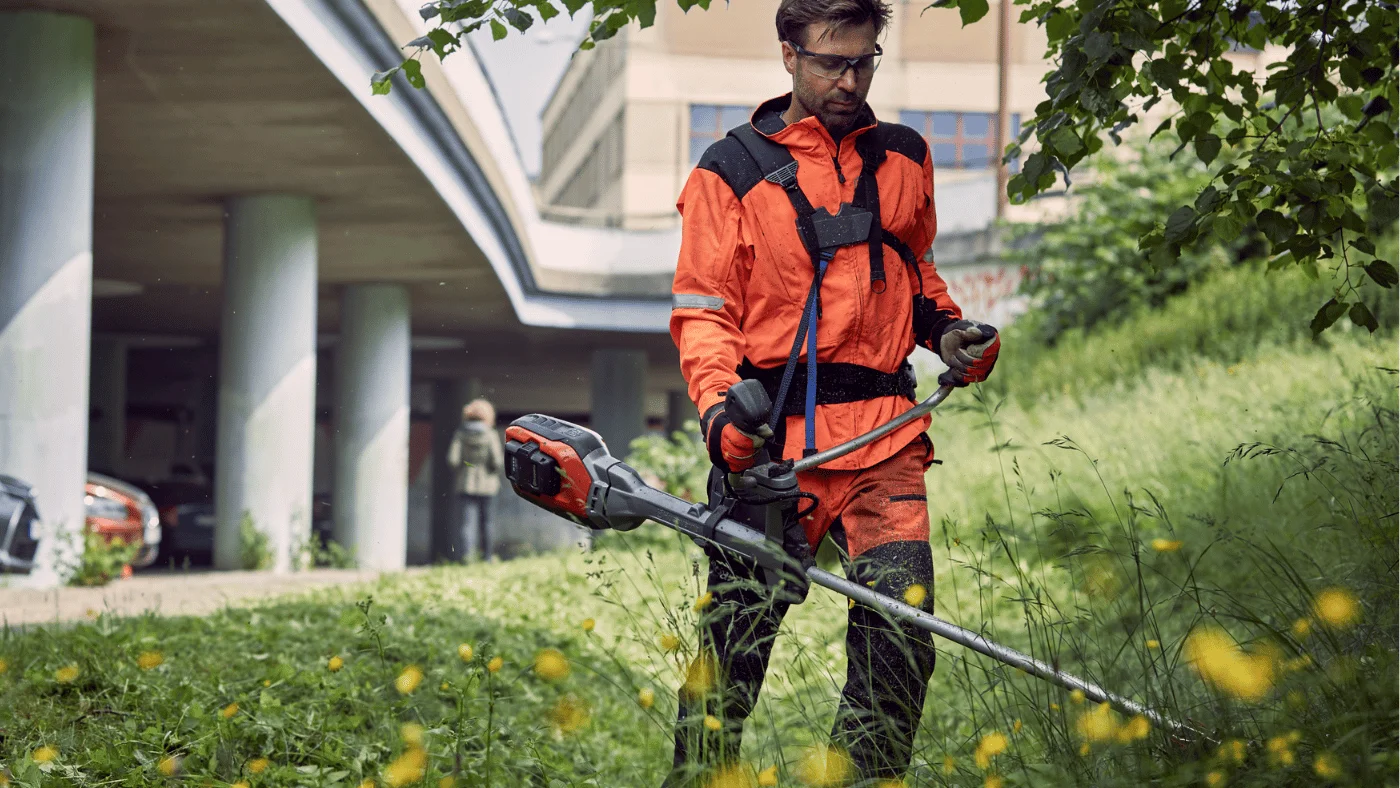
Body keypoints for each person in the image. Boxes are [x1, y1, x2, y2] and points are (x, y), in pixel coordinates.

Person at [666, 0, 1001, 782]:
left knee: (899, 642)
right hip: (774, 452)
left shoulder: (904, 157)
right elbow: (703, 314)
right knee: (734, 653)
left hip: (887, 443)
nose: (849, 81)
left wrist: (948, 332)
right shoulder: (727, 172)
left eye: (863, 61)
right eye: (830, 63)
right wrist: (721, 417)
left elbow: (914, 274)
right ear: (789, 56)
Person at [447, 398, 504, 560]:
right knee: (487, 523)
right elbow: (497, 461)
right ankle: (487, 558)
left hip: (466, 483)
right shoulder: (490, 434)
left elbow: (453, 460)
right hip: (488, 485)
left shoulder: (460, 434)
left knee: (466, 524)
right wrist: (488, 470)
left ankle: (466, 558)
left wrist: (467, 467)